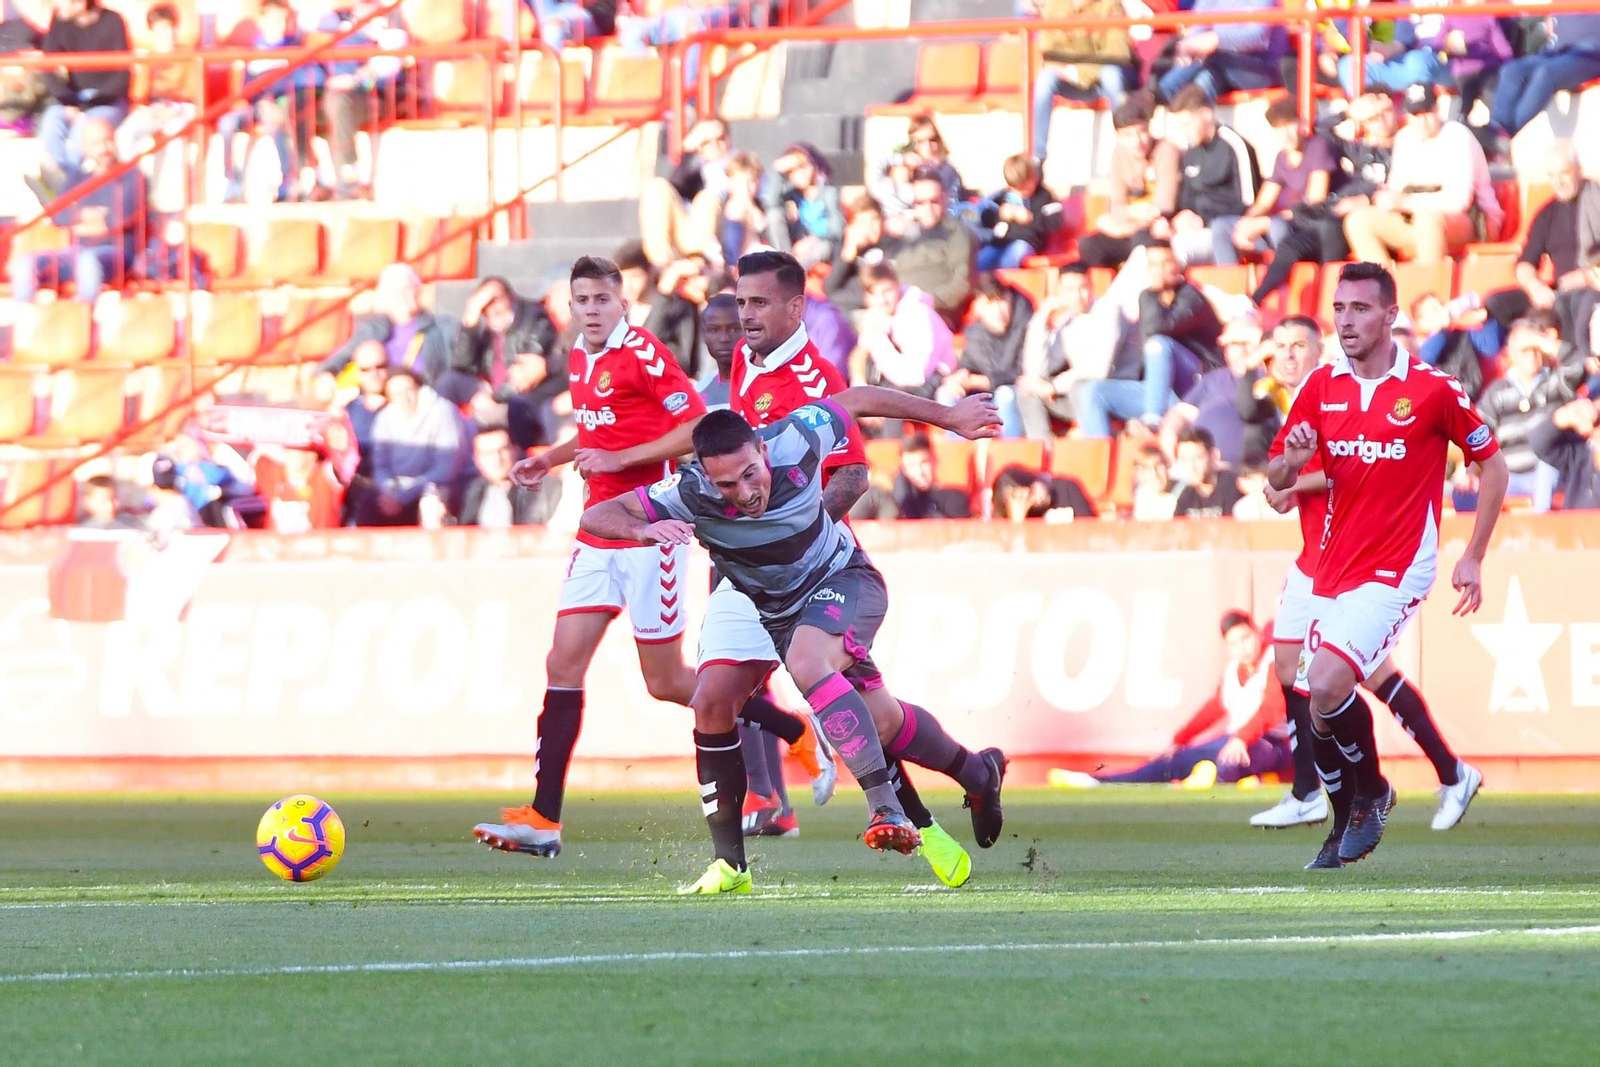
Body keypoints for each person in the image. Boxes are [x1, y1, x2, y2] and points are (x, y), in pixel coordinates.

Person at [576, 387, 1006, 894]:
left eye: (750, 474)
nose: (745, 492)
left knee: (807, 662)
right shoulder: (689, 490)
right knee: (881, 721)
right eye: (727, 485)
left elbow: (859, 397)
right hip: (777, 610)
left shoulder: (798, 435)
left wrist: (947, 415)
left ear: (761, 447)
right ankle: (976, 773)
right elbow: (595, 516)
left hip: (845, 578)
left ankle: (883, 806)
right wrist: (643, 531)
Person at [698, 250, 982, 887]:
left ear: (796, 307)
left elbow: (853, 474)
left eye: (758, 304)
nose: (744, 316)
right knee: (711, 697)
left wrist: (783, 537)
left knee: (866, 716)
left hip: (814, 572)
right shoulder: (746, 361)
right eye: (740, 302)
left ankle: (934, 814)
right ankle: (728, 865)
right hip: (749, 570)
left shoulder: (814, 375)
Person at [470, 256, 714, 861]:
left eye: (603, 300)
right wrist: (549, 459)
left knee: (667, 683)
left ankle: (790, 728)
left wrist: (623, 459)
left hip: (649, 528)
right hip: (595, 534)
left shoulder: (646, 353)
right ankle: (544, 817)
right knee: (562, 661)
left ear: (622, 302)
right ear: (572, 306)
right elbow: (595, 432)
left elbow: (698, 427)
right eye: (582, 301)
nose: (593, 311)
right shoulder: (579, 354)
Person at [1268, 262, 1507, 868]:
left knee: (1325, 682)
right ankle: (1360, 796)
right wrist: (1289, 463)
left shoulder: (1431, 389)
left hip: (1400, 567)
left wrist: (1473, 555)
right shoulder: (1321, 387)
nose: (1347, 321)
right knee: (1316, 697)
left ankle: (1371, 794)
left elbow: (1494, 466)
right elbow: (1275, 478)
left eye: (1361, 309)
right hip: (1333, 569)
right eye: (1340, 309)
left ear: (1390, 315)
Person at [694, 291, 824, 841]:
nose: (725, 338)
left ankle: (781, 788)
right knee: (737, 682)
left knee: (781, 675)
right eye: (715, 330)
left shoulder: (768, 384)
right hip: (728, 551)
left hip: (785, 551)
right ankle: (771, 797)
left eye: (732, 328)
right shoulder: (699, 398)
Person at [1052, 612, 1291, 787]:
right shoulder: (1232, 670)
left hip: (1272, 743)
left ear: (1257, 633)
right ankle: (1097, 782)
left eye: (1246, 638)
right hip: (1236, 740)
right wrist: (1179, 740)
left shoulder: (1273, 660)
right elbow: (1213, 709)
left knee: (1228, 761)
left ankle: (1217, 781)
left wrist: (1241, 738)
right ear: (1227, 647)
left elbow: (1272, 709)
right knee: (1173, 760)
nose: (1243, 647)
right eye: (1234, 643)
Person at [1342, 84, 1502, 268]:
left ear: (1437, 109)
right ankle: (1384, 286)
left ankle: (1429, 291)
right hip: (1415, 218)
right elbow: (1396, 189)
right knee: (1359, 220)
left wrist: (1405, 203)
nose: (1422, 121)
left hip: (1473, 221)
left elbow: (1458, 202)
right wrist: (1387, 201)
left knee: (1428, 220)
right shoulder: (1405, 138)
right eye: (1415, 114)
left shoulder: (1457, 136)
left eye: (1426, 112)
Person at [1073, 242, 1217, 438]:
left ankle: (1153, 423)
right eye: (1154, 265)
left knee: (1158, 345)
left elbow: (1158, 330)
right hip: (1162, 393)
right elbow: (1149, 335)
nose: (1161, 270)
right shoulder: (1148, 297)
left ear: (1176, 264)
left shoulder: (1191, 296)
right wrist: (1151, 294)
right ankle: (1099, 454)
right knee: (1091, 391)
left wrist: (1153, 292)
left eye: (1166, 262)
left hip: (1197, 385)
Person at [11, 113, 143, 302]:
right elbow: (59, 217)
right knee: (25, 263)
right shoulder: (77, 179)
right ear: (84, 148)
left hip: (118, 254)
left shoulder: (131, 176)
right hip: (75, 253)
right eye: (95, 144)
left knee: (87, 261)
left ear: (115, 140)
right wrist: (97, 218)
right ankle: (23, 326)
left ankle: (84, 323)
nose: (103, 149)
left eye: (107, 140)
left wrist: (81, 218)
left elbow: (116, 221)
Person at [1206, 96, 1338, 267]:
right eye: (1278, 128)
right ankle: (1232, 288)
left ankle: (1287, 285)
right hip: (1284, 223)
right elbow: (1264, 203)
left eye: (1289, 124)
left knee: (1277, 226)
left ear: (1300, 124)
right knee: (1221, 227)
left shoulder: (1318, 147)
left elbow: (1315, 202)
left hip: (1311, 227)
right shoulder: (1282, 157)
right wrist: (1247, 224)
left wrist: (1265, 222)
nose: (1286, 134)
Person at [214, 0, 325, 203]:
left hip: (285, 104)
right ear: (262, 21)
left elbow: (311, 79)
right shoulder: (254, 52)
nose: (280, 25)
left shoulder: (295, 47)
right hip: (258, 106)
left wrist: (277, 101)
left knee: (275, 121)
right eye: (275, 20)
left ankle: (287, 182)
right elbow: (247, 91)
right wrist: (263, 102)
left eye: (283, 20)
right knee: (226, 123)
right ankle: (232, 184)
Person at [1485, 143, 1600, 331]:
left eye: (1563, 173)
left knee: (1574, 303)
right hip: (1559, 291)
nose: (1558, 182)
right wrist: (1534, 286)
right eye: (1552, 176)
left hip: (1592, 288)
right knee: (1496, 303)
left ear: (1578, 170)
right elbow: (1526, 262)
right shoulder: (1547, 214)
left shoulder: (1596, 199)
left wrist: (1588, 276)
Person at [1074, 94, 1180, 270]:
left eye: (1142, 132)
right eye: (1128, 135)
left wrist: (1121, 226)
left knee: (1143, 241)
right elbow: (1117, 206)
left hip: (1155, 229)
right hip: (1133, 224)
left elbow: (1164, 207)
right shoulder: (1118, 155)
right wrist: (1130, 213)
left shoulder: (1166, 150)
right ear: (1119, 137)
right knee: (1089, 245)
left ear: (1149, 128)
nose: (1137, 141)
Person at [35, 0, 130, 193]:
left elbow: (123, 75)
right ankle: (65, 183)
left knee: (83, 128)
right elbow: (48, 66)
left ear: (79, 4)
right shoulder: (60, 20)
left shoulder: (113, 20)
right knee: (51, 120)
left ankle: (68, 191)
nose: (57, 5)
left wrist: (86, 108)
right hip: (74, 99)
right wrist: (67, 101)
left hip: (108, 99)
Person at [1477, 317, 1570, 512]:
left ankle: (1539, 525)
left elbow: (1579, 366)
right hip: (1510, 474)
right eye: (1525, 350)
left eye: (1535, 350)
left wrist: (1544, 341)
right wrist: (1470, 472)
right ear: (1511, 354)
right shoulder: (1497, 391)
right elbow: (1479, 433)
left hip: (1549, 471)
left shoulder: (1556, 381)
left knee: (1547, 466)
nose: (1531, 356)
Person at [318, 0, 409, 199]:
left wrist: (355, 79)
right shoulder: (338, 21)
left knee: (339, 104)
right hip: (335, 94)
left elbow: (389, 63)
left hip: (375, 96)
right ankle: (312, 180)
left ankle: (349, 176)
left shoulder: (391, 21)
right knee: (300, 110)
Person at [1162, 87, 1261, 267]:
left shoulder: (1234, 145)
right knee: (1151, 248)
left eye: (1187, 124)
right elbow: (1187, 202)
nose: (1184, 132)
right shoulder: (1191, 153)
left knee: (1173, 252)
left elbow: (1250, 203)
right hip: (1195, 232)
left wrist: (1204, 219)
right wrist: (1177, 219)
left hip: (1227, 232)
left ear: (1206, 115)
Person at [360, 369, 469, 526]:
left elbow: (447, 468)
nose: (406, 398)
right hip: (399, 487)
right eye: (397, 394)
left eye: (409, 390)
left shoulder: (442, 411)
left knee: (432, 501)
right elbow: (381, 465)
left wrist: (405, 495)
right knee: (370, 501)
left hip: (440, 483)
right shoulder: (384, 419)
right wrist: (389, 492)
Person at [317, 264, 452, 389]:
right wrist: (327, 373)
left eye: (414, 288)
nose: (409, 296)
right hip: (380, 402)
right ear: (387, 297)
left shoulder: (439, 327)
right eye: (402, 291)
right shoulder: (373, 329)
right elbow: (341, 357)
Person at [114, 4, 200, 199]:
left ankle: (174, 197)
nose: (166, 33)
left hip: (182, 109)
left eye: (168, 27)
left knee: (175, 132)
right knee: (124, 134)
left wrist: (174, 109)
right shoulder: (148, 58)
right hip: (154, 109)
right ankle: (133, 192)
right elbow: (139, 95)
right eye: (160, 29)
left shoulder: (189, 55)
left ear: (175, 28)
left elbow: (193, 93)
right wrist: (147, 109)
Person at [1029, 0, 1132, 162]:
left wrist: (1078, 72)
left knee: (1112, 76)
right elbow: (1048, 50)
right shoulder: (1054, 6)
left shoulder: (1111, 5)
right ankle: (1037, 158)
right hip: (1068, 79)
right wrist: (1065, 70)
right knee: (1044, 80)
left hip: (1100, 81)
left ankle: (1127, 148)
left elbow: (1117, 53)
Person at [880, 163, 975, 327]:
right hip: (896, 311)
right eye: (921, 203)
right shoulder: (903, 232)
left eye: (934, 201)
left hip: (936, 315)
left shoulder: (955, 233)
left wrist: (926, 302)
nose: (929, 208)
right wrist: (884, 229)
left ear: (944, 199)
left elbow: (962, 284)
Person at [1486, 14, 1600, 144]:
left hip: (1590, 53)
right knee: (1511, 70)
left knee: (1545, 73)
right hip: (1557, 50)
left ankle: (1506, 133)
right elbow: (1550, 21)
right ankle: (1496, 127)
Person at [945, 273, 1032, 437]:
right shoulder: (974, 332)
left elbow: (1024, 370)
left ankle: (1011, 454)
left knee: (1005, 395)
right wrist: (960, 376)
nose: (998, 310)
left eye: (1002, 301)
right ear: (979, 306)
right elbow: (969, 363)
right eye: (990, 303)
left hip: (1016, 393)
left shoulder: (1027, 323)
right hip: (985, 396)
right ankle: (960, 458)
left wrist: (984, 381)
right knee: (947, 394)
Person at [851, 261, 956, 396]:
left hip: (934, 383)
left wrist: (878, 339)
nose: (882, 300)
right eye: (874, 294)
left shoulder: (917, 313)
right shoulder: (876, 315)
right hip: (895, 386)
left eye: (887, 291)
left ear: (898, 285)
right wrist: (860, 384)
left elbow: (915, 375)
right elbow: (860, 353)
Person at [1156, 0, 1285, 103]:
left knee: (1210, 56)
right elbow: (1197, 31)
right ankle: (1198, 128)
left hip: (1260, 70)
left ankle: (1162, 93)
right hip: (1219, 66)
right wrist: (1190, 50)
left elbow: (1257, 36)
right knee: (1206, 78)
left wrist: (1215, 39)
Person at [616, 241, 701, 375]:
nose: (628, 285)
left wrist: (664, 296)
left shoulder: (678, 307)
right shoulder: (620, 313)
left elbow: (686, 358)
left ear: (650, 272)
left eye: (634, 277)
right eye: (622, 279)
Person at [869, 115, 964, 235]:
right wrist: (901, 160)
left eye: (932, 139)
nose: (928, 146)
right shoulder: (900, 169)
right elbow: (875, 173)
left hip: (935, 229)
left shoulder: (948, 171)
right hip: (897, 229)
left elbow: (952, 206)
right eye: (920, 142)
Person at [975, 154, 1063, 272]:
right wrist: (1001, 214)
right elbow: (984, 217)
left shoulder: (1044, 197)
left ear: (1034, 178)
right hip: (1000, 242)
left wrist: (1030, 217)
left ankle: (1005, 288)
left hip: (1026, 242)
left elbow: (1054, 221)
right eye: (1015, 189)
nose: (1021, 192)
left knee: (1010, 258)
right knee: (980, 261)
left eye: (1024, 187)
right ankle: (983, 288)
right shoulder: (1002, 196)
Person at [456, 429, 560, 527]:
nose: (497, 459)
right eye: (488, 454)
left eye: (503, 450)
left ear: (516, 450)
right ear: (476, 459)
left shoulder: (542, 487)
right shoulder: (473, 490)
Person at [765, 142, 844, 269]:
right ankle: (785, 264)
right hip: (794, 247)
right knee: (773, 215)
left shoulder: (828, 193)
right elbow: (771, 204)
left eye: (803, 167)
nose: (799, 174)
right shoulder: (792, 194)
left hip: (821, 244)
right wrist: (777, 172)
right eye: (792, 171)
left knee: (824, 248)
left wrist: (813, 240)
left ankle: (792, 270)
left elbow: (837, 230)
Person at [825, 192, 888, 317]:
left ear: (882, 221)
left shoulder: (893, 246)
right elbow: (830, 289)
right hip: (856, 313)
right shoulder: (846, 251)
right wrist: (848, 254)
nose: (869, 227)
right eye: (862, 222)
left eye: (874, 220)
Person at [893, 431, 970, 520]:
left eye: (924, 462)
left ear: (934, 460)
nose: (919, 472)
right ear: (904, 470)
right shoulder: (901, 503)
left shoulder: (954, 498)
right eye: (911, 466)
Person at [1171, 426, 1242, 518]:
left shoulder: (1233, 486)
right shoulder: (1186, 495)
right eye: (1185, 460)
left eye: (1198, 458)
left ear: (1214, 455)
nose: (1191, 467)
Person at [991, 466, 1095, 521]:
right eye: (1028, 502)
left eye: (1032, 492)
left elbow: (1091, 529)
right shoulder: (1025, 518)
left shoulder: (1066, 488)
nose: (1035, 500)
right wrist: (1018, 522)